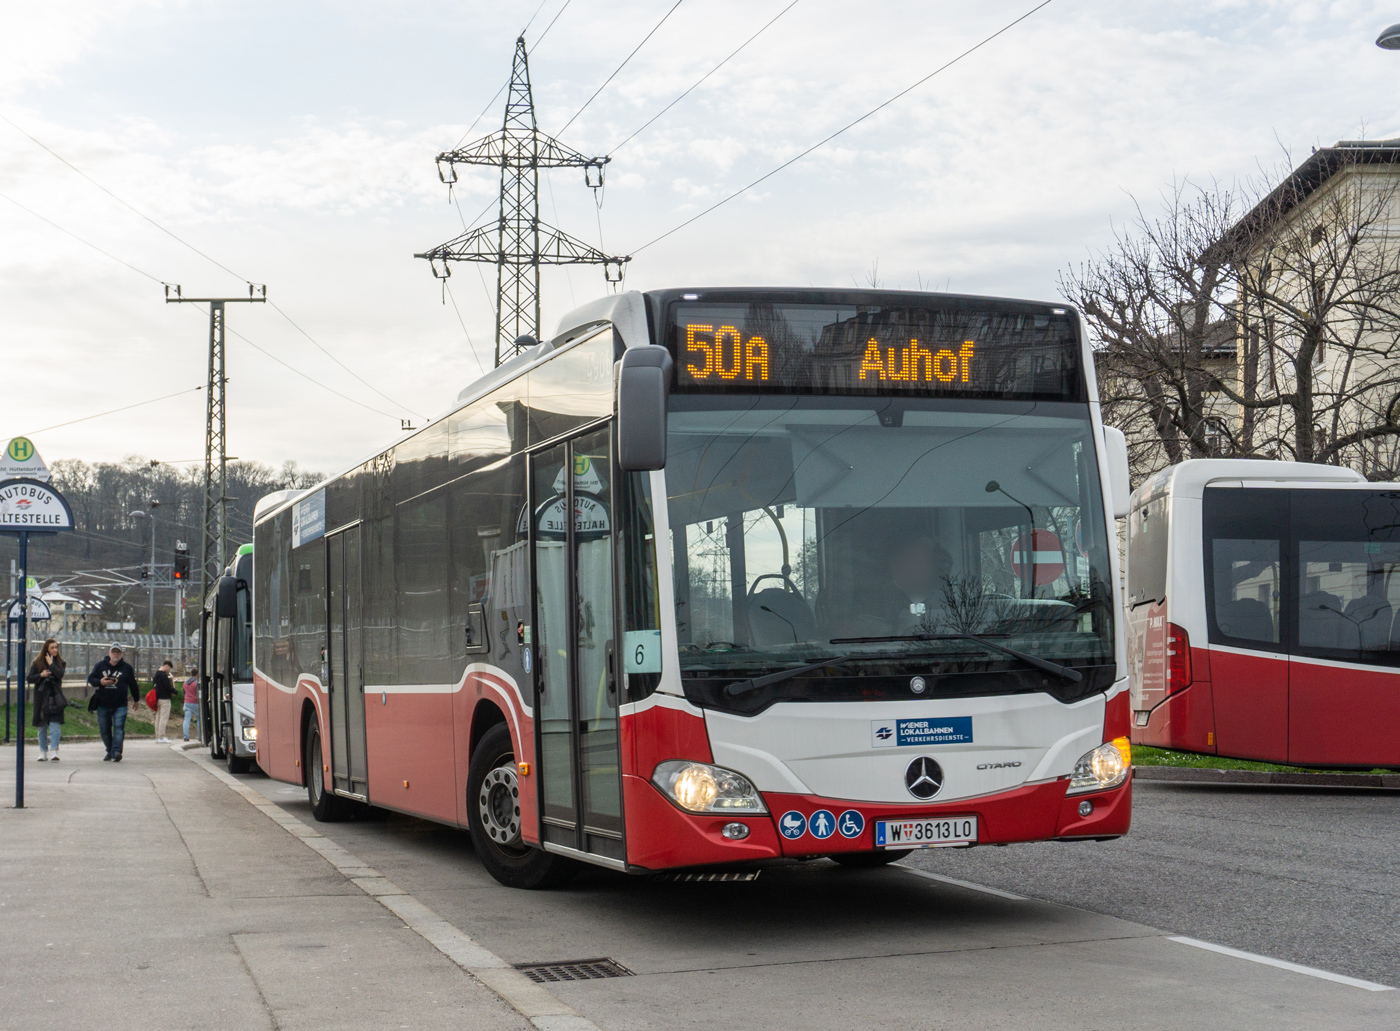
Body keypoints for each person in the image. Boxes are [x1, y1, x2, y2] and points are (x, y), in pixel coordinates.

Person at [87, 645, 140, 762]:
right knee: (104, 730)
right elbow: (91, 679)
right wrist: (100, 682)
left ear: (122, 654)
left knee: (119, 728)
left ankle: (116, 752)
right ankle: (109, 750)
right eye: (113, 652)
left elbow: (133, 684)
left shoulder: (126, 668)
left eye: (118, 652)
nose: (115, 655)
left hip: (120, 704)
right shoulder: (100, 665)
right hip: (103, 703)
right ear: (109, 653)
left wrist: (136, 699)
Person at [28, 638, 67, 761]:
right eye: (52, 648)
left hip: (55, 698)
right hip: (41, 698)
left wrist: (51, 664)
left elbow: (60, 674)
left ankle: (54, 750)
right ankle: (43, 751)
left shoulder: (60, 662)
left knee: (55, 725)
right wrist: (40, 675)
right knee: (42, 726)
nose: (55, 650)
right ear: (46, 649)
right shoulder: (37, 662)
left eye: (56, 647)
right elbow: (29, 678)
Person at [152, 660, 176, 742]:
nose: (169, 671)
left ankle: (157, 736)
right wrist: (175, 692)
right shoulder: (163, 676)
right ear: (167, 666)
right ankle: (161, 736)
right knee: (163, 718)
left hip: (158, 698)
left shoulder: (156, 675)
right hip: (165, 699)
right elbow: (168, 687)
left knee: (158, 718)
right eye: (169, 669)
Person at [182, 667, 199, 742]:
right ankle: (200, 736)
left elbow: (183, 693)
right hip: (196, 703)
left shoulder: (185, 683)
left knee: (186, 720)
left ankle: (186, 736)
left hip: (187, 702)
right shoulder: (197, 683)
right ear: (197, 674)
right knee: (199, 720)